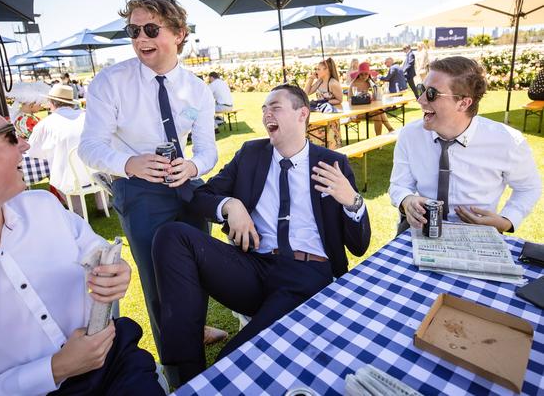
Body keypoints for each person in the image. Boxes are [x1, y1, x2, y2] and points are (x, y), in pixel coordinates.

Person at [0, 92, 165, 395]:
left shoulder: (42, 206)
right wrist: (54, 370)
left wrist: (117, 271)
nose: (25, 144)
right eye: (10, 136)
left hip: (117, 366)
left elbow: (95, 249)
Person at [152, 84, 371, 386]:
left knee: (233, 362)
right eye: (264, 108)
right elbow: (202, 194)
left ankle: (210, 380)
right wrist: (231, 205)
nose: (267, 113)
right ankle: (188, 373)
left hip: (305, 276)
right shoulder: (251, 154)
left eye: (275, 107)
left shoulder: (332, 163)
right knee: (172, 236)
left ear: (302, 114)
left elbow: (359, 246)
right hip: (253, 268)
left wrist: (352, 201)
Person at [78, 0, 223, 368]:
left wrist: (193, 168)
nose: (140, 37)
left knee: (196, 269)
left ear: (178, 33)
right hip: (139, 191)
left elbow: (208, 151)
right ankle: (180, 372)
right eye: (133, 30)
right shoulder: (110, 82)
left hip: (187, 189)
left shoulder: (198, 89)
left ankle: (194, 329)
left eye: (151, 29)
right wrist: (129, 163)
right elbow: (89, 147)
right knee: (158, 285)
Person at [390, 56, 541, 234]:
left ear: (463, 103)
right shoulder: (410, 135)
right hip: (422, 229)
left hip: (479, 233)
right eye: (421, 89)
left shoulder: (507, 142)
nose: (420, 100)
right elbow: (399, 185)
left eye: (431, 93)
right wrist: (406, 200)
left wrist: (507, 220)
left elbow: (529, 187)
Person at [27, 84, 100, 217]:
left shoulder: (44, 124)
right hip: (96, 170)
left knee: (63, 172)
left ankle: (78, 212)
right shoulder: (88, 117)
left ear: (52, 103)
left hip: (68, 176)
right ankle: (103, 204)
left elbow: (33, 152)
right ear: (71, 103)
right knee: (94, 167)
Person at [304, 57, 343, 149]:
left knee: (329, 139)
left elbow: (339, 99)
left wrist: (326, 101)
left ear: (327, 70)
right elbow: (306, 93)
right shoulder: (319, 81)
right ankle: (315, 151)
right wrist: (311, 79)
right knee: (309, 127)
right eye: (316, 69)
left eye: (318, 69)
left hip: (330, 116)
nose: (316, 71)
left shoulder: (333, 83)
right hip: (320, 113)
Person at [349, 62, 394, 135]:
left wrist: (373, 89)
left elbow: (376, 96)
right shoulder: (354, 84)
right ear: (358, 74)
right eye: (361, 74)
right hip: (356, 112)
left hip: (367, 109)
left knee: (378, 112)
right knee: (378, 112)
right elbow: (349, 100)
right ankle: (389, 130)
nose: (364, 76)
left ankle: (381, 137)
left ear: (369, 74)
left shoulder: (368, 82)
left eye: (366, 74)